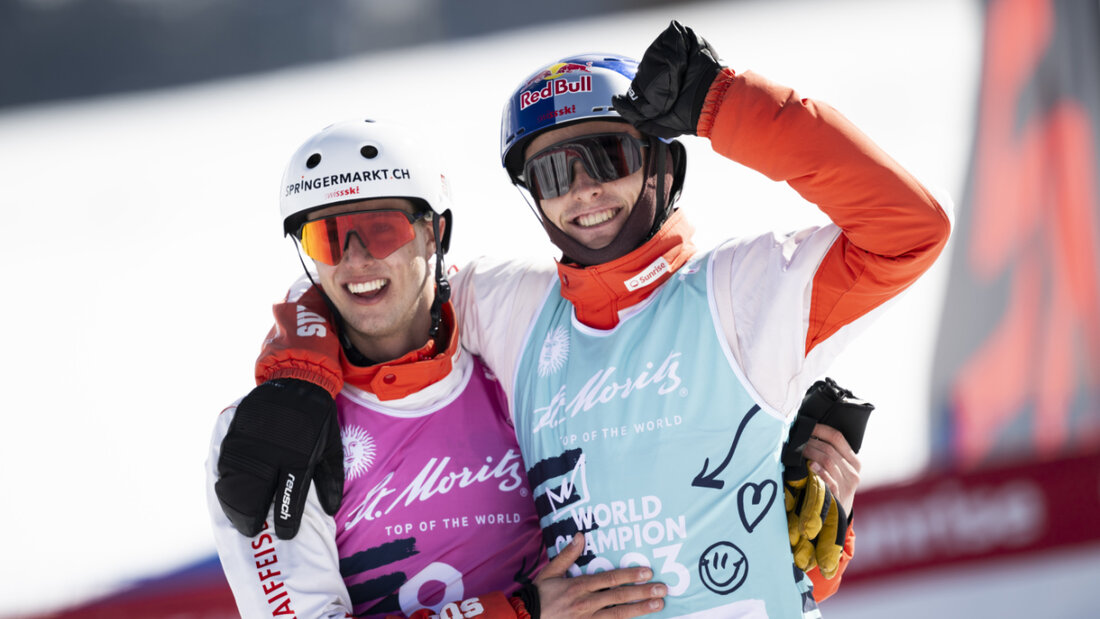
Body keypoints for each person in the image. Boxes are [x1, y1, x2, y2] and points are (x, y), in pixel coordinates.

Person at [227, 20, 948, 616]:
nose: (583, 191)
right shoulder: (520, 310)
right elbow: (379, 287)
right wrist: (298, 372)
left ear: (663, 161)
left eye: (607, 155)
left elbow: (908, 228)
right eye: (551, 174)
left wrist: (722, 106)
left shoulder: (743, 291)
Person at [206, 119, 670, 618]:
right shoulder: (272, 433)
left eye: (382, 231)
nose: (356, 260)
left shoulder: (505, 334)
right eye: (329, 238)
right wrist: (517, 612)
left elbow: (633, 298)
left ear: (434, 233)